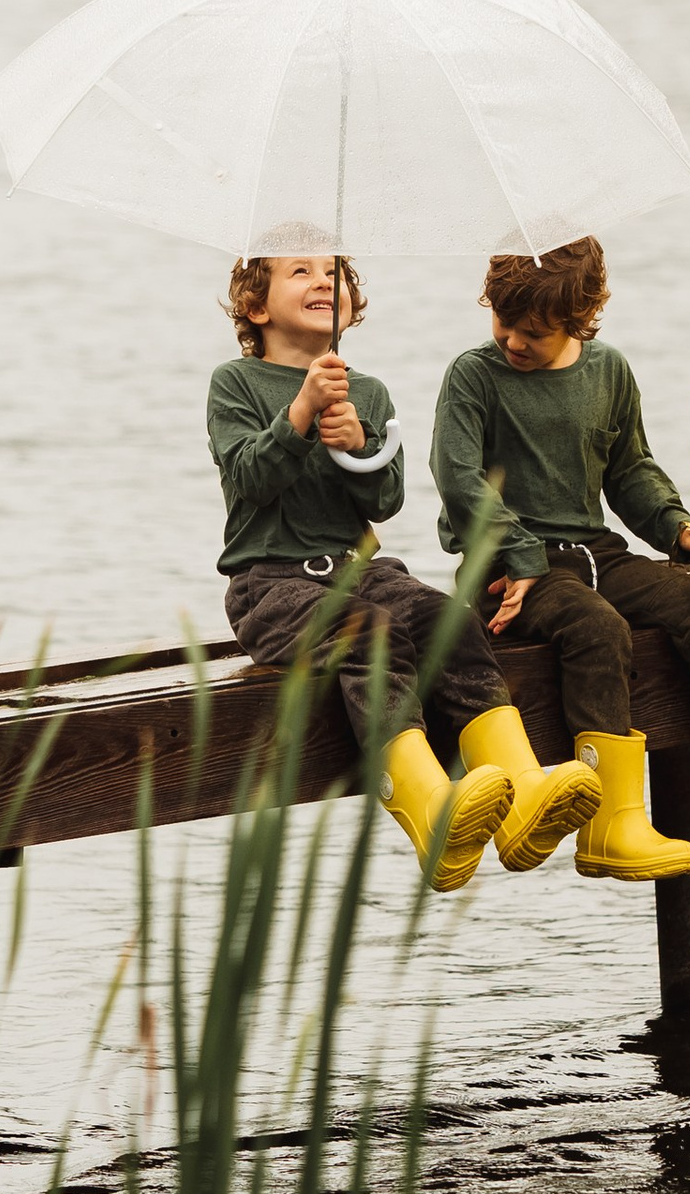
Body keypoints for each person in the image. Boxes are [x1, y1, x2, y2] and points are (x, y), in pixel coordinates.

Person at [430, 238, 690, 882]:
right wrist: (517, 555)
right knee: (597, 629)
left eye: (535, 333)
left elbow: (630, 471)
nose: (514, 340)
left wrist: (676, 528)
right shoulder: (473, 377)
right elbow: (458, 480)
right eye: (503, 322)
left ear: (580, 321)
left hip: (595, 553)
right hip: (507, 567)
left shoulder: (609, 373)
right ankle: (612, 826)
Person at [209, 253, 596, 890]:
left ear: (352, 306)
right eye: (299, 273)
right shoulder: (236, 384)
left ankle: (522, 791)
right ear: (256, 307)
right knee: (371, 631)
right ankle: (428, 808)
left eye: (333, 274)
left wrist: (357, 446)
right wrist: (301, 414)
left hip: (358, 568)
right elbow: (250, 479)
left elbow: (384, 499)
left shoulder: (368, 391)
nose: (322, 283)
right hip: (271, 584)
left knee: (447, 620)